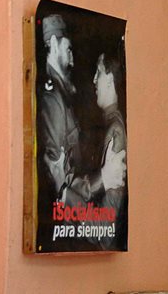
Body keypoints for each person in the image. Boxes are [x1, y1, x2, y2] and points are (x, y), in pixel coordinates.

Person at [37, 15, 126, 218]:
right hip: (69, 215)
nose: (72, 57)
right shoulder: (53, 99)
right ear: (53, 44)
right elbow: (58, 178)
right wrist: (101, 179)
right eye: (68, 49)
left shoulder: (63, 96)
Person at [91, 52, 127, 250]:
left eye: (98, 72)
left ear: (110, 79)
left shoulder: (115, 130)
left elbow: (111, 208)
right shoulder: (110, 125)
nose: (94, 80)